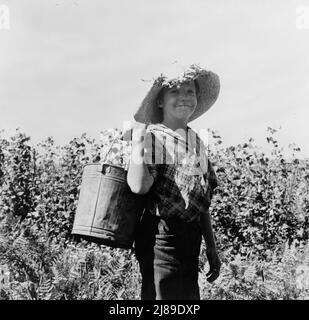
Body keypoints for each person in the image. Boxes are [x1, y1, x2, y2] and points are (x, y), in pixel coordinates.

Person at [127, 64, 221, 300]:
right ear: (160, 101)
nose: (184, 97)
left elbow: (202, 199)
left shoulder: (195, 140)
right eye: (174, 91)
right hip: (161, 237)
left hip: (191, 237)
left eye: (190, 91)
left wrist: (210, 245)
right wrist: (138, 136)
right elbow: (139, 186)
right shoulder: (153, 136)